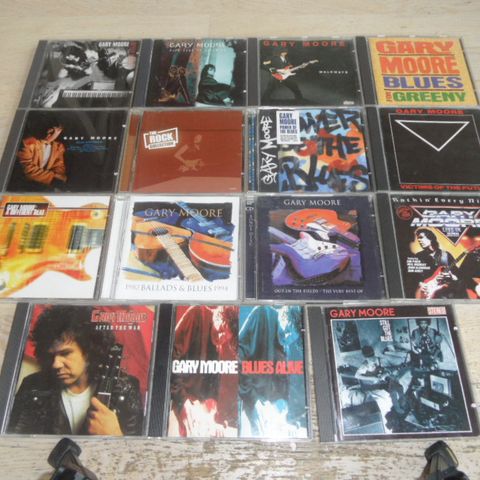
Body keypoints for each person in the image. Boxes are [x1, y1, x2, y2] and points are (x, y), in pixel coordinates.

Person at [8, 305, 143, 435]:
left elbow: (140, 448)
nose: (55, 364)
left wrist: (115, 434)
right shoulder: (32, 386)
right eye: (51, 355)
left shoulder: (126, 388)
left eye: (65, 353)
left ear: (89, 351)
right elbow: (13, 439)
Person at [413, 229, 464, 299]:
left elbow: (459, 276)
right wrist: (420, 284)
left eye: (421, 237)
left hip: (445, 294)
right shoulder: (418, 256)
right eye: (418, 239)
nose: (419, 240)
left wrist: (451, 276)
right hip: (426, 294)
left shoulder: (446, 255)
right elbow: (413, 276)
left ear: (430, 237)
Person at [15, 124, 67, 190]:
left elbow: (59, 167)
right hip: (26, 186)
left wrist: (58, 180)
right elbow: (27, 169)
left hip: (47, 187)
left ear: (59, 131)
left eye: (52, 131)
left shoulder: (58, 147)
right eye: (47, 128)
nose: (48, 133)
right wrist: (52, 179)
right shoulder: (28, 143)